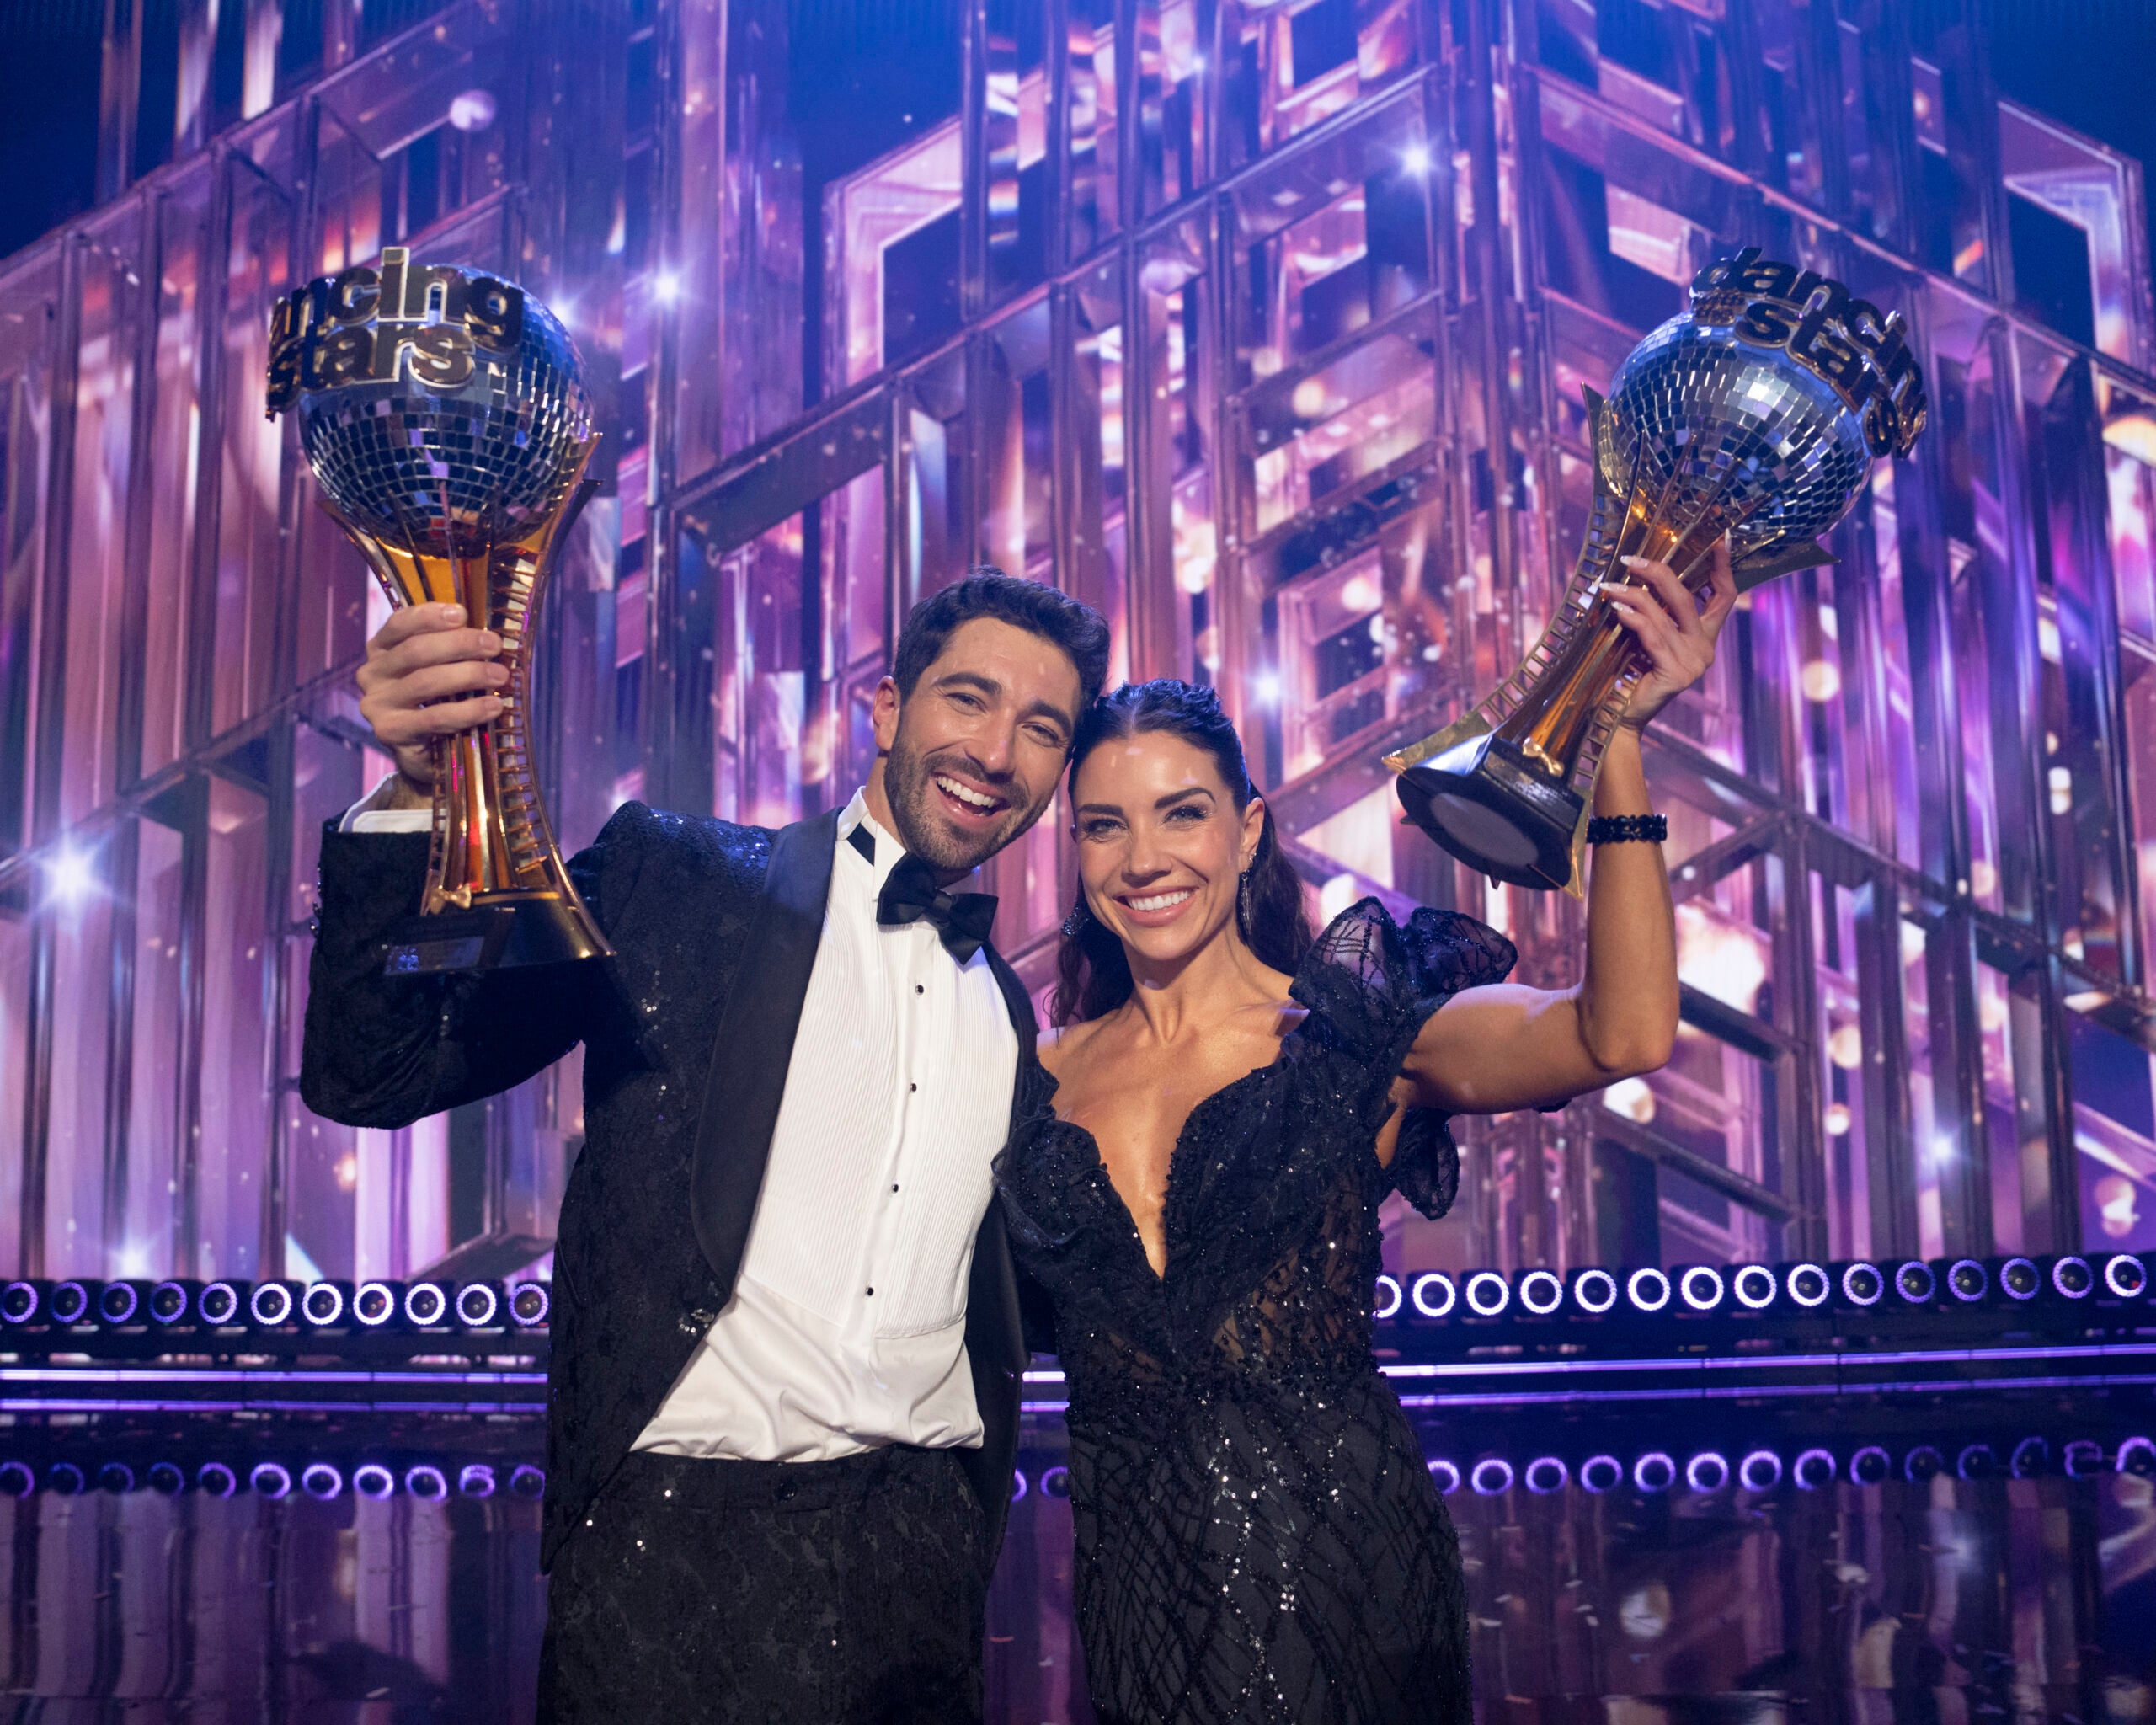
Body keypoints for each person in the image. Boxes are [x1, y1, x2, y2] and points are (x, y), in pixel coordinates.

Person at [300, 569, 1110, 1723]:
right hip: (668, 1564)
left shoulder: (1009, 1014)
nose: (995, 751)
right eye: (968, 699)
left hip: (924, 1576)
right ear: (888, 709)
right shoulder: (675, 880)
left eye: (1041, 728)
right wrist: (413, 796)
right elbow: (377, 1070)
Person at [995, 546, 1737, 1723]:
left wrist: (1622, 745)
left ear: (1247, 832)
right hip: (1139, 1615)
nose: (1144, 860)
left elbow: (1623, 1034)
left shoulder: (1353, 1035)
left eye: (1182, 814)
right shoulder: (1030, 1078)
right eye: (1103, 827)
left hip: (1353, 1595)